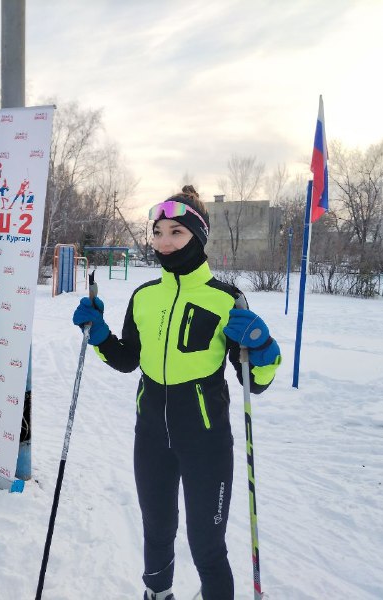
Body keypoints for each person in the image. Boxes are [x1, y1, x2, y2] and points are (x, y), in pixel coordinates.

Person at [72, 186, 281, 600]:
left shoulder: (226, 300)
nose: (164, 243)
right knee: (157, 529)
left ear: (198, 237)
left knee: (207, 544)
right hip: (150, 434)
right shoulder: (144, 297)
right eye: (158, 232)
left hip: (205, 439)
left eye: (177, 233)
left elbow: (256, 381)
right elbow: (128, 359)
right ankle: (157, 593)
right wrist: (98, 336)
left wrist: (263, 348)